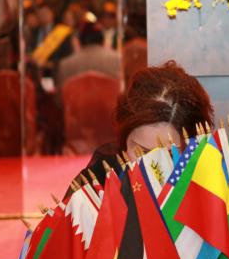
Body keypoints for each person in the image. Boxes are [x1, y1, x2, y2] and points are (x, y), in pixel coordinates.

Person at [76, 61, 214, 184]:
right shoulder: (102, 181)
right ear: (124, 143)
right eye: (142, 152)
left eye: (170, 155)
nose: (154, 168)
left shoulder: (211, 189)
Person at [55, 17, 121, 94]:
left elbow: (60, 97)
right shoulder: (117, 59)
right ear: (103, 40)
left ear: (79, 41)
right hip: (110, 101)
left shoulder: (65, 64)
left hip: (77, 101)